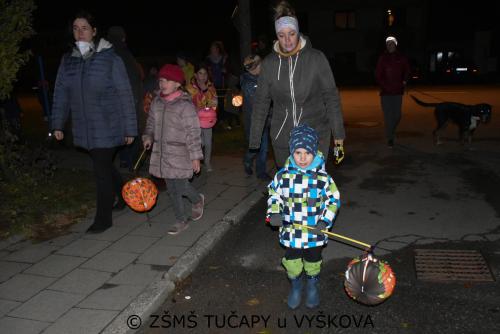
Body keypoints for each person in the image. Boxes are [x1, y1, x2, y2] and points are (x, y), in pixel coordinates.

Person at [51, 10, 137, 233]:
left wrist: (130, 128)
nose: (80, 32)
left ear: (94, 31)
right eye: (76, 28)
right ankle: (125, 193)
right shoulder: (68, 60)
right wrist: (57, 123)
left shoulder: (109, 57)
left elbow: (124, 93)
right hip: (84, 126)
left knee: (100, 170)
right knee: (105, 166)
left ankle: (103, 218)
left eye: (84, 28)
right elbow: (61, 93)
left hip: (108, 124)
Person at [249, 1, 345, 169]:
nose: (287, 41)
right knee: (289, 192)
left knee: (312, 191)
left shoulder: (316, 59)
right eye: (281, 35)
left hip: (314, 137)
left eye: (291, 34)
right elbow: (261, 101)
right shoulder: (270, 64)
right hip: (283, 139)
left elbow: (331, 96)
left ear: (298, 31)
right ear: (276, 35)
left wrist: (338, 135)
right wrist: (255, 138)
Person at [267, 124, 340, 309]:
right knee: (292, 262)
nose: (302, 157)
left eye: (307, 153)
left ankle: (313, 285)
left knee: (313, 261)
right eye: (298, 152)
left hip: (314, 232)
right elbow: (274, 194)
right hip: (292, 232)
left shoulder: (323, 178)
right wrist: (274, 212)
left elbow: (333, 200)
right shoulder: (283, 176)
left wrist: (325, 220)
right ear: (292, 152)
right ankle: (296, 286)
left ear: (314, 153)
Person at [142, 64, 205, 235]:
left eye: (168, 80)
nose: (163, 83)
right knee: (172, 190)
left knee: (182, 187)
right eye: (162, 80)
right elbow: (150, 124)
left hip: (182, 155)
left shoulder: (185, 106)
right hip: (163, 156)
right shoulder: (156, 102)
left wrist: (195, 157)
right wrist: (148, 136)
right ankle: (181, 220)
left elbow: (193, 133)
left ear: (178, 84)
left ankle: (197, 199)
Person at [107, 25, 144, 169]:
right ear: (122, 37)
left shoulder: (106, 53)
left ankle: (123, 159)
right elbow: (137, 75)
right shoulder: (124, 53)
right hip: (129, 99)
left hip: (113, 101)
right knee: (131, 129)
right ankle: (131, 161)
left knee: (120, 130)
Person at [375, 35, 411, 147]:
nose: (390, 46)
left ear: (395, 45)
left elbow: (407, 70)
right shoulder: (382, 58)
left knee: (397, 115)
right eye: (388, 44)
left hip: (397, 92)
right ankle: (390, 138)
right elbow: (378, 74)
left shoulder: (402, 58)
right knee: (388, 117)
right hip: (385, 93)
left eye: (391, 44)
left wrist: (405, 81)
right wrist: (384, 86)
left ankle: (391, 132)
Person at [240, 54, 271, 180]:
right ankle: (249, 162)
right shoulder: (249, 84)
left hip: (264, 119)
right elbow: (259, 103)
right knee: (257, 148)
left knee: (261, 148)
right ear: (254, 68)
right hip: (254, 122)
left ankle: (260, 171)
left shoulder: (261, 77)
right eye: (260, 64)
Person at [186, 62, 218, 172]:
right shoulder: (190, 88)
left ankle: (207, 163)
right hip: (194, 120)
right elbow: (188, 103)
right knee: (200, 142)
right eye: (200, 73)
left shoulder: (211, 87)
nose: (203, 76)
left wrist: (213, 103)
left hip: (208, 120)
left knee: (208, 142)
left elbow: (215, 102)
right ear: (195, 75)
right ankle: (196, 162)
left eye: (205, 73)